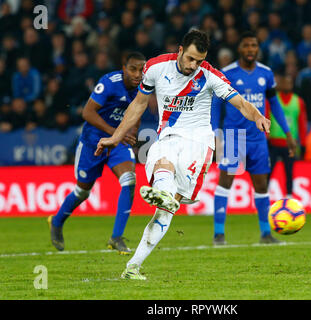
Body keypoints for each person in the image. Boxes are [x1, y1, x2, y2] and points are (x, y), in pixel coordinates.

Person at [95, 30, 271, 280]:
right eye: (190, 59)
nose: (194, 65)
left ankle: (160, 206)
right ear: (179, 50)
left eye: (199, 60)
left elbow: (241, 103)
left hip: (198, 144)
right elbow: (138, 105)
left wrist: (259, 117)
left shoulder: (210, 75)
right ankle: (162, 200)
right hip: (166, 137)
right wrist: (115, 136)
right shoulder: (155, 68)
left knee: (165, 211)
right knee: (162, 165)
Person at [48, 51, 146, 255]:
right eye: (133, 69)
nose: (138, 74)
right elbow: (87, 112)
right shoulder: (109, 82)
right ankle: (56, 221)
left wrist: (129, 134)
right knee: (83, 191)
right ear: (124, 68)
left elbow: (136, 114)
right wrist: (116, 133)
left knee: (129, 181)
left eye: (141, 69)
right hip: (93, 142)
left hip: (117, 144)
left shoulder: (143, 88)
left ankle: (116, 237)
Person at [211, 31, 296, 245]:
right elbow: (215, 104)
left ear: (258, 48)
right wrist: (213, 133)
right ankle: (218, 233)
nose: (250, 49)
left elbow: (274, 104)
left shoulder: (266, 74)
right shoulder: (227, 73)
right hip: (233, 136)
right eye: (246, 45)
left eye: (254, 45)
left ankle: (266, 233)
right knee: (225, 182)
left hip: (258, 138)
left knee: (261, 185)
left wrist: (287, 133)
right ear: (239, 48)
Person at [268, 73, 308, 198]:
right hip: (273, 142)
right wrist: (266, 135)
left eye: (289, 83)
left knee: (289, 172)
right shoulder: (273, 100)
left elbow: (302, 124)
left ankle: (289, 197)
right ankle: (263, 197)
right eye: (285, 82)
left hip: (290, 144)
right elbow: (266, 117)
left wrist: (303, 143)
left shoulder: (299, 102)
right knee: (268, 172)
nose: (287, 85)